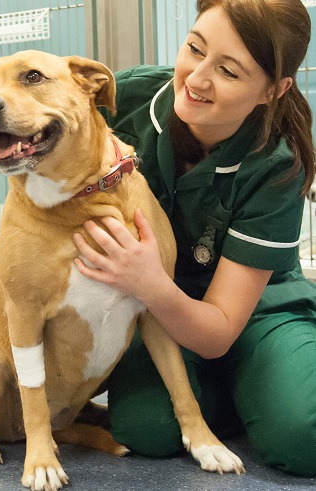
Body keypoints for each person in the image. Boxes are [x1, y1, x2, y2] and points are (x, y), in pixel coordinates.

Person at [73, 0, 316, 477]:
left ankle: (272, 378)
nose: (197, 78)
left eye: (228, 70)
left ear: (274, 89)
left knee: (303, 434)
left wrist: (149, 282)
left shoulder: (277, 163)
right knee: (146, 430)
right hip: (154, 312)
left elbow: (220, 326)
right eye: (194, 48)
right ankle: (246, 393)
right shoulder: (129, 97)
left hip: (253, 311)